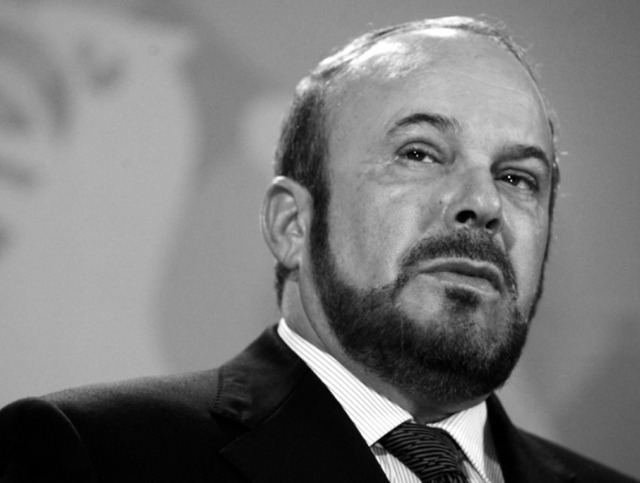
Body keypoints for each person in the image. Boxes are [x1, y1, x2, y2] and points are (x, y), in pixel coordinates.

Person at [0, 16, 636, 483]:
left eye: (518, 177)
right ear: (292, 225)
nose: (483, 201)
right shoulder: (98, 459)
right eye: (419, 153)